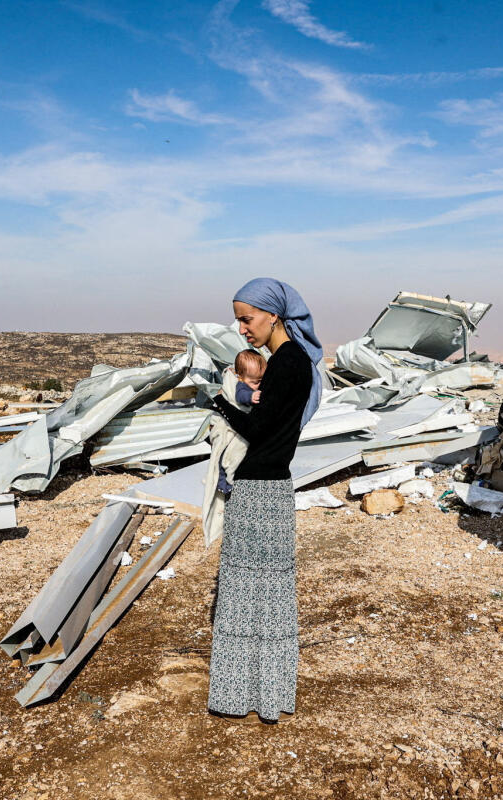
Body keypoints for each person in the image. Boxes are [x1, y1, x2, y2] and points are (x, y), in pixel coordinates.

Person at [207, 277, 323, 723]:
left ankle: (242, 696)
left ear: (273, 315)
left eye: (246, 318)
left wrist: (219, 404)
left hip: (259, 490)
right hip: (271, 490)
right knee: (267, 595)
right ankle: (265, 694)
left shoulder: (287, 363)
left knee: (243, 594)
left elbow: (259, 431)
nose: (242, 329)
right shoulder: (290, 361)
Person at [215, 350, 267, 496]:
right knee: (230, 454)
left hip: (243, 425)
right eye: (255, 382)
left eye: (261, 381)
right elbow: (239, 396)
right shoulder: (241, 386)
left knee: (237, 454)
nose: (258, 385)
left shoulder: (250, 383)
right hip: (234, 428)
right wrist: (251, 396)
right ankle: (224, 483)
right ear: (241, 377)